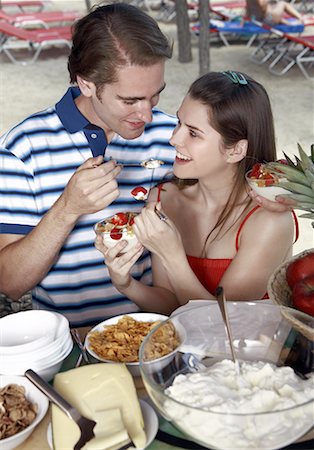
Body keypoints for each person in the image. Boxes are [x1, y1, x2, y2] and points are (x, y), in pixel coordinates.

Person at [0, 3, 177, 327]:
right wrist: (68, 208)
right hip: (70, 342)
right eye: (130, 100)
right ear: (86, 84)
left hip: (156, 333)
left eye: (155, 96)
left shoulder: (173, 136)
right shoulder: (21, 148)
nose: (147, 116)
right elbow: (10, 283)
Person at [95, 70, 298, 315]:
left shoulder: (269, 220)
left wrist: (172, 254)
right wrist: (125, 283)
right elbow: (172, 304)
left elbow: (223, 325)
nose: (174, 139)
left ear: (235, 150)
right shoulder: (163, 198)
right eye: (179, 123)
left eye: (193, 133)